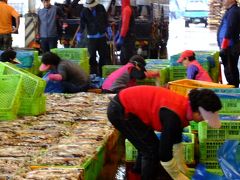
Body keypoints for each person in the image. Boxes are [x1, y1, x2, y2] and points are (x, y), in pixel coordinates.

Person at [107, 86, 222, 180]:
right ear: (197, 111)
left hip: (129, 109)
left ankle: (134, 176)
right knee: (152, 151)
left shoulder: (184, 108)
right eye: (205, 117)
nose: (204, 120)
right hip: (121, 110)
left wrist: (182, 167)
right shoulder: (173, 116)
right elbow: (164, 154)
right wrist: (177, 176)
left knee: (146, 145)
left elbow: (176, 141)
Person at [76, 0, 111, 77]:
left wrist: (108, 28)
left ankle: (102, 74)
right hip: (91, 37)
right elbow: (82, 24)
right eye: (89, 6)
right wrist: (79, 33)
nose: (91, 7)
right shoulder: (84, 11)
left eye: (92, 6)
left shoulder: (101, 8)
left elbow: (106, 19)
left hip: (102, 36)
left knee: (103, 56)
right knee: (92, 57)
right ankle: (94, 75)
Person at [217, 0, 240, 88]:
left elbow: (230, 28)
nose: (223, 1)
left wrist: (223, 46)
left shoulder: (234, 12)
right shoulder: (231, 11)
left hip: (229, 47)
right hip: (228, 46)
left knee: (230, 69)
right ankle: (232, 85)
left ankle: (233, 87)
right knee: (230, 67)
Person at [115, 0, 136, 65]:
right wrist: (118, 33)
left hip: (127, 39)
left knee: (126, 59)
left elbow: (125, 25)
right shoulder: (126, 8)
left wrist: (121, 37)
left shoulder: (126, 10)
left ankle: (127, 73)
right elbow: (122, 24)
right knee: (125, 57)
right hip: (127, 38)